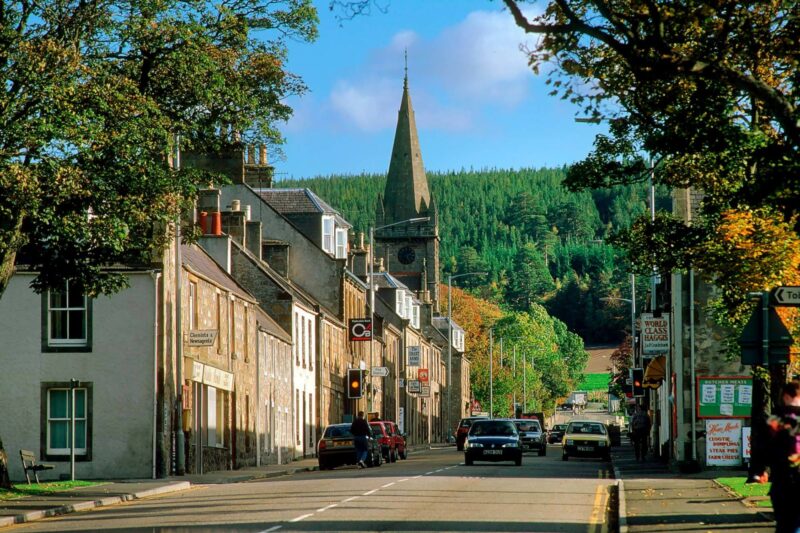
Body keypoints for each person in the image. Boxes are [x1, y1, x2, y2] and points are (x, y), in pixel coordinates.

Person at [753, 380, 800, 533]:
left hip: (783, 480)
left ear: (785, 396)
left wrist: (762, 470)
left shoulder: (774, 420)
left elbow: (762, 447)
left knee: (785, 523)